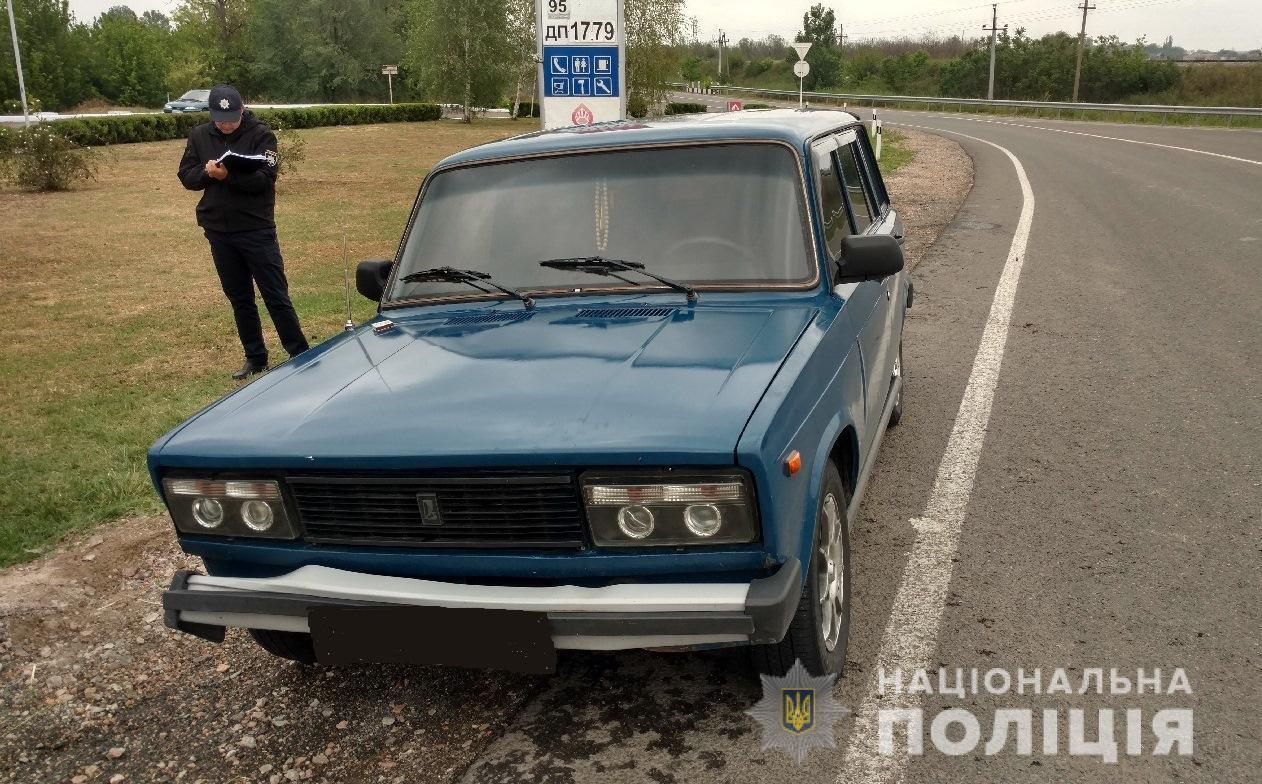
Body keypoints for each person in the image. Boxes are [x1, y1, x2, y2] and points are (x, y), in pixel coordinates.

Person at [177, 84, 309, 380]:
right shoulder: (199, 136)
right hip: (219, 230)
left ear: (242, 110)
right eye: (219, 119)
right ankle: (255, 356)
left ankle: (300, 353)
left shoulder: (262, 135)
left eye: (231, 118)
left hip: (255, 228)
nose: (225, 124)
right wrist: (206, 173)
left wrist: (229, 176)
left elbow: (265, 179)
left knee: (275, 294)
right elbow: (186, 175)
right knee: (239, 297)